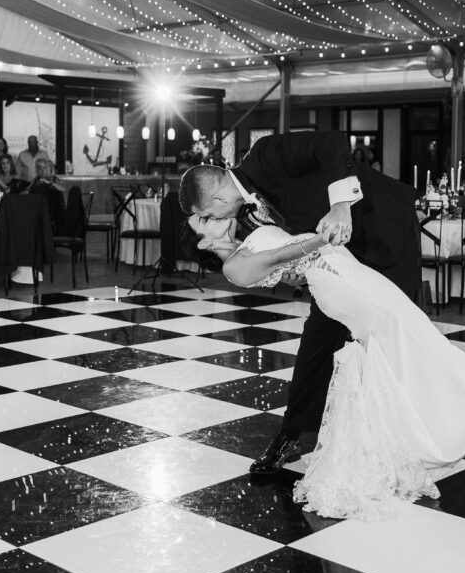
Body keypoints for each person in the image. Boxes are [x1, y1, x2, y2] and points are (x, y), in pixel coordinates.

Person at [184, 216, 465, 519]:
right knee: (416, 338)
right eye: (204, 218)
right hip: (343, 283)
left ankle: (427, 432)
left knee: (407, 346)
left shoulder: (245, 242)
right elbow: (286, 254)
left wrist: (308, 252)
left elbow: (285, 264)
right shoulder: (235, 265)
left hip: (345, 273)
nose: (214, 213)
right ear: (203, 240)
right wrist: (324, 236)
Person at [179, 131, 420, 473]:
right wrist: (296, 273)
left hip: (385, 229)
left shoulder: (264, 156)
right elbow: (290, 245)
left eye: (208, 215)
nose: (215, 221)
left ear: (217, 199)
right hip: (339, 260)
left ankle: (404, 436)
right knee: (317, 342)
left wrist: (340, 204)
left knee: (395, 335)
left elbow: (331, 143)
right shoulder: (246, 217)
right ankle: (293, 435)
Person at [26, 157, 67, 234]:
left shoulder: (54, 179)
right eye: (39, 168)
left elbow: (63, 189)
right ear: (36, 170)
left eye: (44, 167)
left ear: (49, 169)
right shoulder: (35, 180)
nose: (41, 170)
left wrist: (47, 183)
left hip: (54, 215)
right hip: (37, 211)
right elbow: (28, 192)